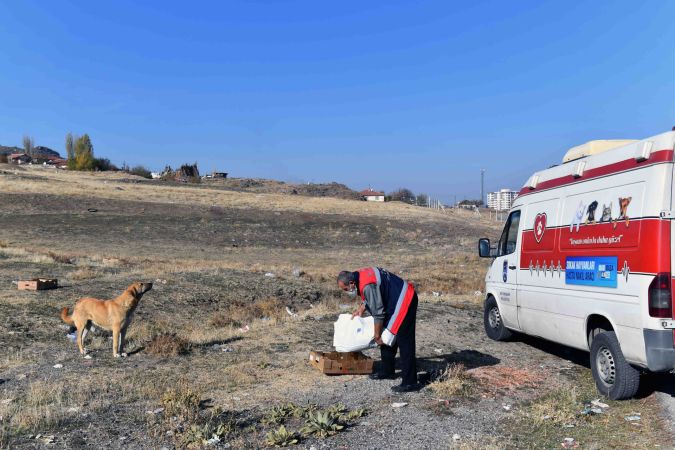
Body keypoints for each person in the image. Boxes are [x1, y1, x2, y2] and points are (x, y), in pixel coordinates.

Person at [337, 267, 419, 392]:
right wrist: (362, 308)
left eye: (346, 289)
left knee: (404, 340)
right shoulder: (358, 275)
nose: (346, 291)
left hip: (405, 298)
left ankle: (410, 382)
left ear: (352, 283)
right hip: (393, 298)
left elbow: (379, 313)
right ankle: (387, 371)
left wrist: (377, 335)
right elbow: (373, 296)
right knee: (387, 332)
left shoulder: (366, 285)